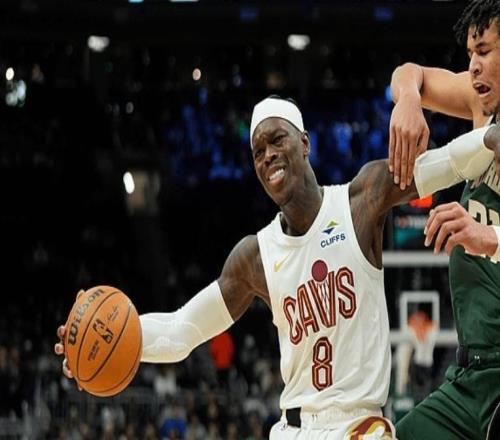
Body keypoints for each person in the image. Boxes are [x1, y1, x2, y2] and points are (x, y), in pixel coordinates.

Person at [55, 95, 495, 439]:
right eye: (257, 151)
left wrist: (490, 138)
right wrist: (108, 341)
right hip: (294, 429)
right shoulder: (255, 256)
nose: (267, 154)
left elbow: (452, 162)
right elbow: (181, 330)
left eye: (277, 140)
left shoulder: (361, 200)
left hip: (359, 426)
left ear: (305, 143)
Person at [389, 1, 500, 439]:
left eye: (484, 51)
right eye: (470, 54)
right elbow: (409, 72)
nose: (473, 66)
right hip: (471, 373)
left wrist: (488, 236)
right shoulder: (480, 105)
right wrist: (409, 100)